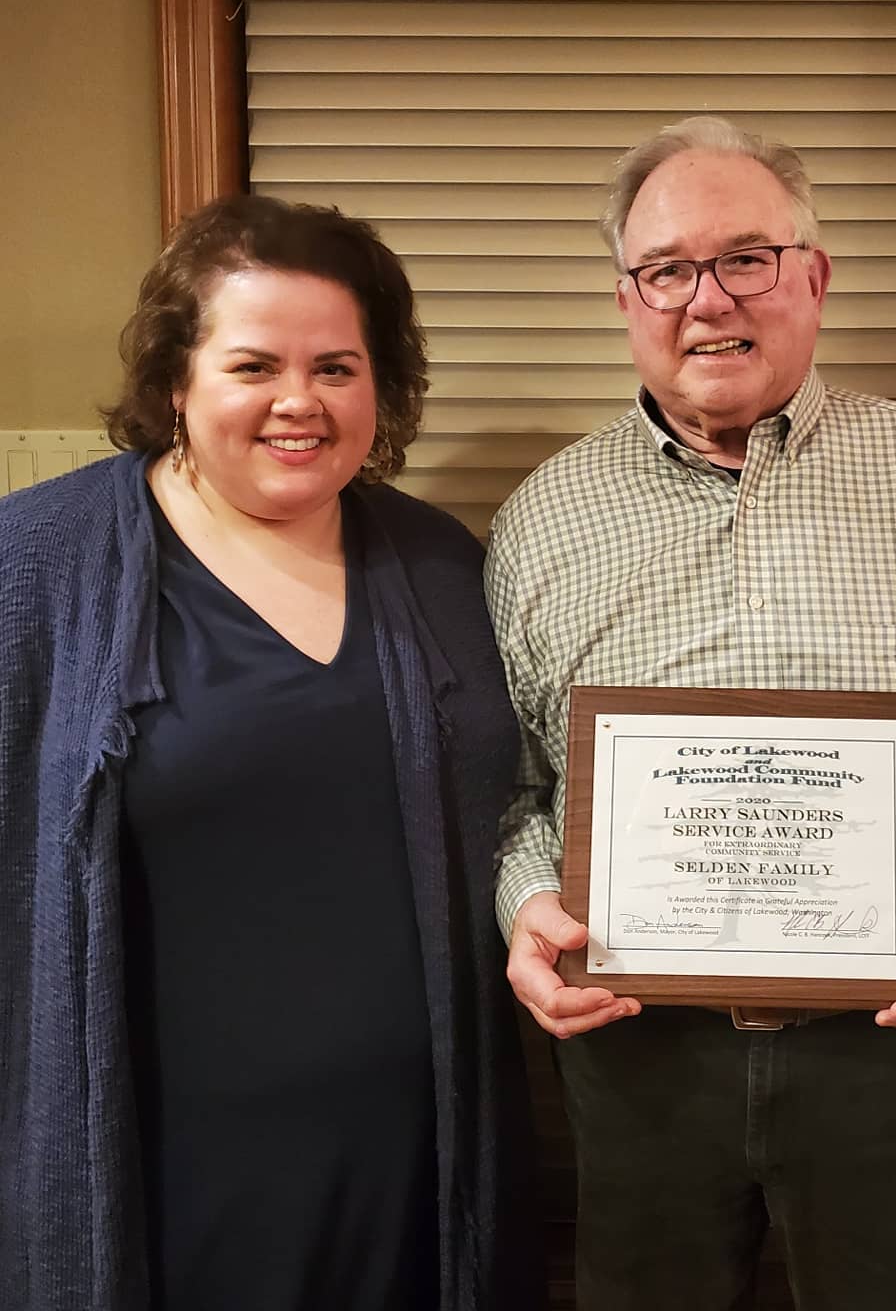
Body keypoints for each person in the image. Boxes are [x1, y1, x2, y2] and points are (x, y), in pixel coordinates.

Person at [484, 114, 896, 1310]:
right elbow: (509, 775)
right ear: (626, 298)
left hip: (892, 1039)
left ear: (813, 274)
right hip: (636, 1035)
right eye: (667, 270)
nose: (708, 300)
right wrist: (527, 902)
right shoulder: (542, 517)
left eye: (746, 257)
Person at [0, 195, 541, 1311]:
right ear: (176, 382)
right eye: (254, 365)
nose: (300, 401)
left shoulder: (437, 566)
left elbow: (514, 810)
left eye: (337, 367)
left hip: (409, 1164)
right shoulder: (38, 567)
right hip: (163, 1173)